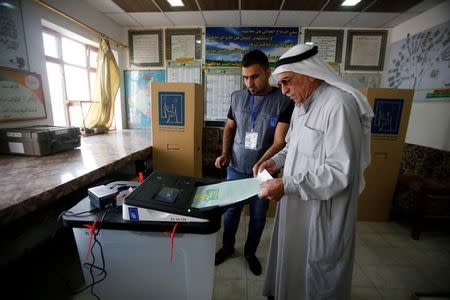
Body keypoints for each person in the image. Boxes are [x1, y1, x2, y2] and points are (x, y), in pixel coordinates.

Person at [257, 44, 374, 299]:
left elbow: (340, 172)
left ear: (309, 74)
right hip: (297, 202)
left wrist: (286, 185)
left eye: (287, 82)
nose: (284, 90)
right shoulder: (301, 104)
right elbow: (294, 147)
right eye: (281, 84)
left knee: (318, 271)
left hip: (323, 211)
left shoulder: (339, 105)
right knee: (293, 262)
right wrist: (274, 162)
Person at [214, 49, 294, 276]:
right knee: (231, 213)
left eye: (255, 76)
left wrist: (260, 164)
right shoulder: (237, 97)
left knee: (258, 218)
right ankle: (228, 248)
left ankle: (250, 253)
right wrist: (225, 154)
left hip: (264, 174)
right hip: (236, 168)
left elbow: (279, 142)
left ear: (268, 73)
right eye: (245, 77)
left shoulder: (283, 101)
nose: (250, 82)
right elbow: (230, 127)